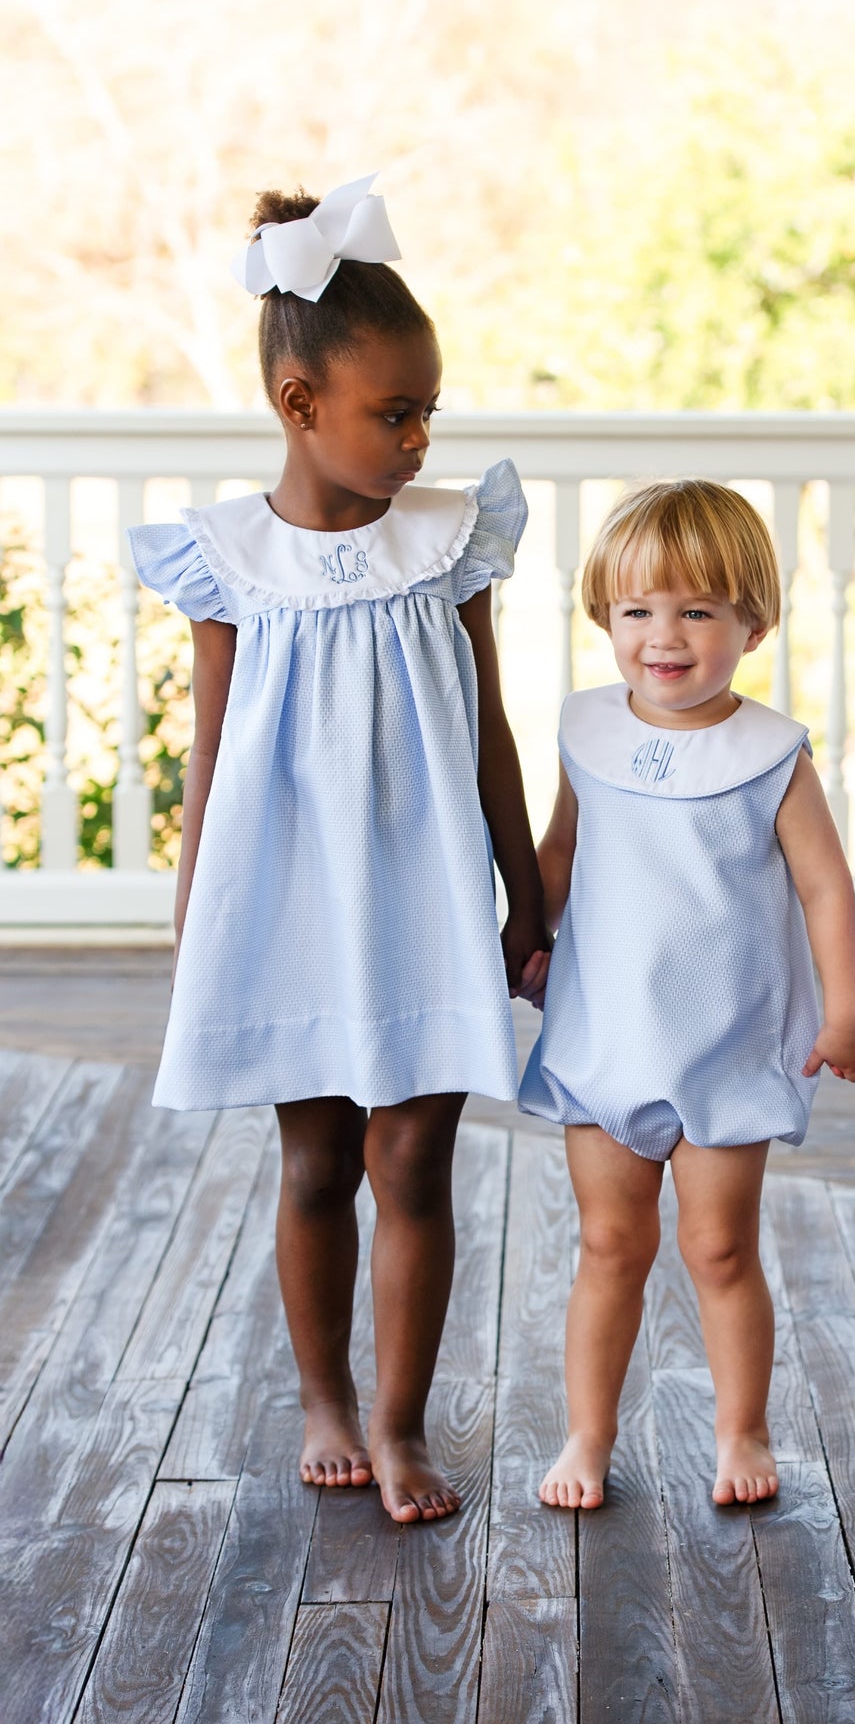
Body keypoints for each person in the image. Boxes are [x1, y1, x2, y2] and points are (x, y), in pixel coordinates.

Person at [129, 176, 548, 1525]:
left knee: (415, 1160)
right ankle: (323, 1397)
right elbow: (209, 758)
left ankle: (400, 1418)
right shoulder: (227, 561)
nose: (422, 438)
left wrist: (525, 899)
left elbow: (489, 728)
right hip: (291, 902)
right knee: (314, 1161)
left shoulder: (447, 547)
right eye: (394, 412)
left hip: (427, 894)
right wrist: (199, 920)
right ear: (299, 403)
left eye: (429, 408)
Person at [519, 479, 855, 1508]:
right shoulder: (585, 730)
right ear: (604, 618)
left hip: (725, 1038)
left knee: (718, 1245)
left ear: (749, 623)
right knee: (606, 1244)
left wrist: (845, 1009)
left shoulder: (768, 754)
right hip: (604, 1035)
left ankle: (741, 1430)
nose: (661, 637)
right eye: (636, 610)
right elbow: (561, 850)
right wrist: (527, 939)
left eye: (695, 611)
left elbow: (823, 889)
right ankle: (587, 1437)